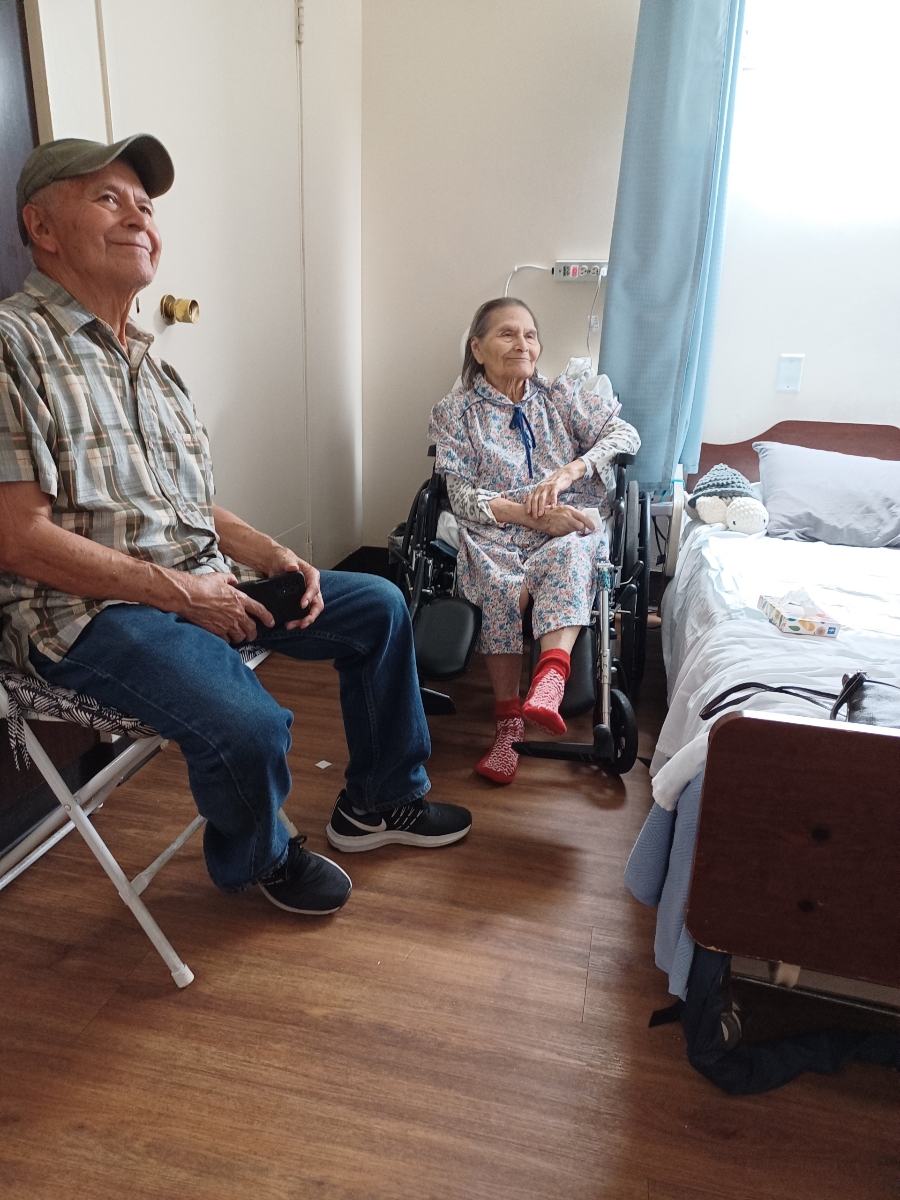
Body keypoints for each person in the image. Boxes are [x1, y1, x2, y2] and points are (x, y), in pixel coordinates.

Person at [0, 134, 471, 918]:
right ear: (41, 228)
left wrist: (272, 552)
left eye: (146, 206)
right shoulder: (14, 345)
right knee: (248, 724)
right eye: (108, 199)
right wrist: (184, 595)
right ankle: (260, 857)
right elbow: (18, 538)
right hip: (85, 614)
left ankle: (379, 802)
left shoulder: (152, 365)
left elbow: (187, 506)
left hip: (195, 583)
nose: (139, 219)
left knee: (380, 606)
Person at [429, 297, 640, 784]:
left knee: (575, 551)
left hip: (566, 518)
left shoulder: (560, 396)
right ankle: (508, 727)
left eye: (529, 335)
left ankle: (550, 679)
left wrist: (571, 471)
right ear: (477, 348)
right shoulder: (455, 412)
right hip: (497, 526)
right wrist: (531, 517)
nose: (521, 344)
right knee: (498, 582)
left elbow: (625, 434)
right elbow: (460, 496)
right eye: (507, 334)